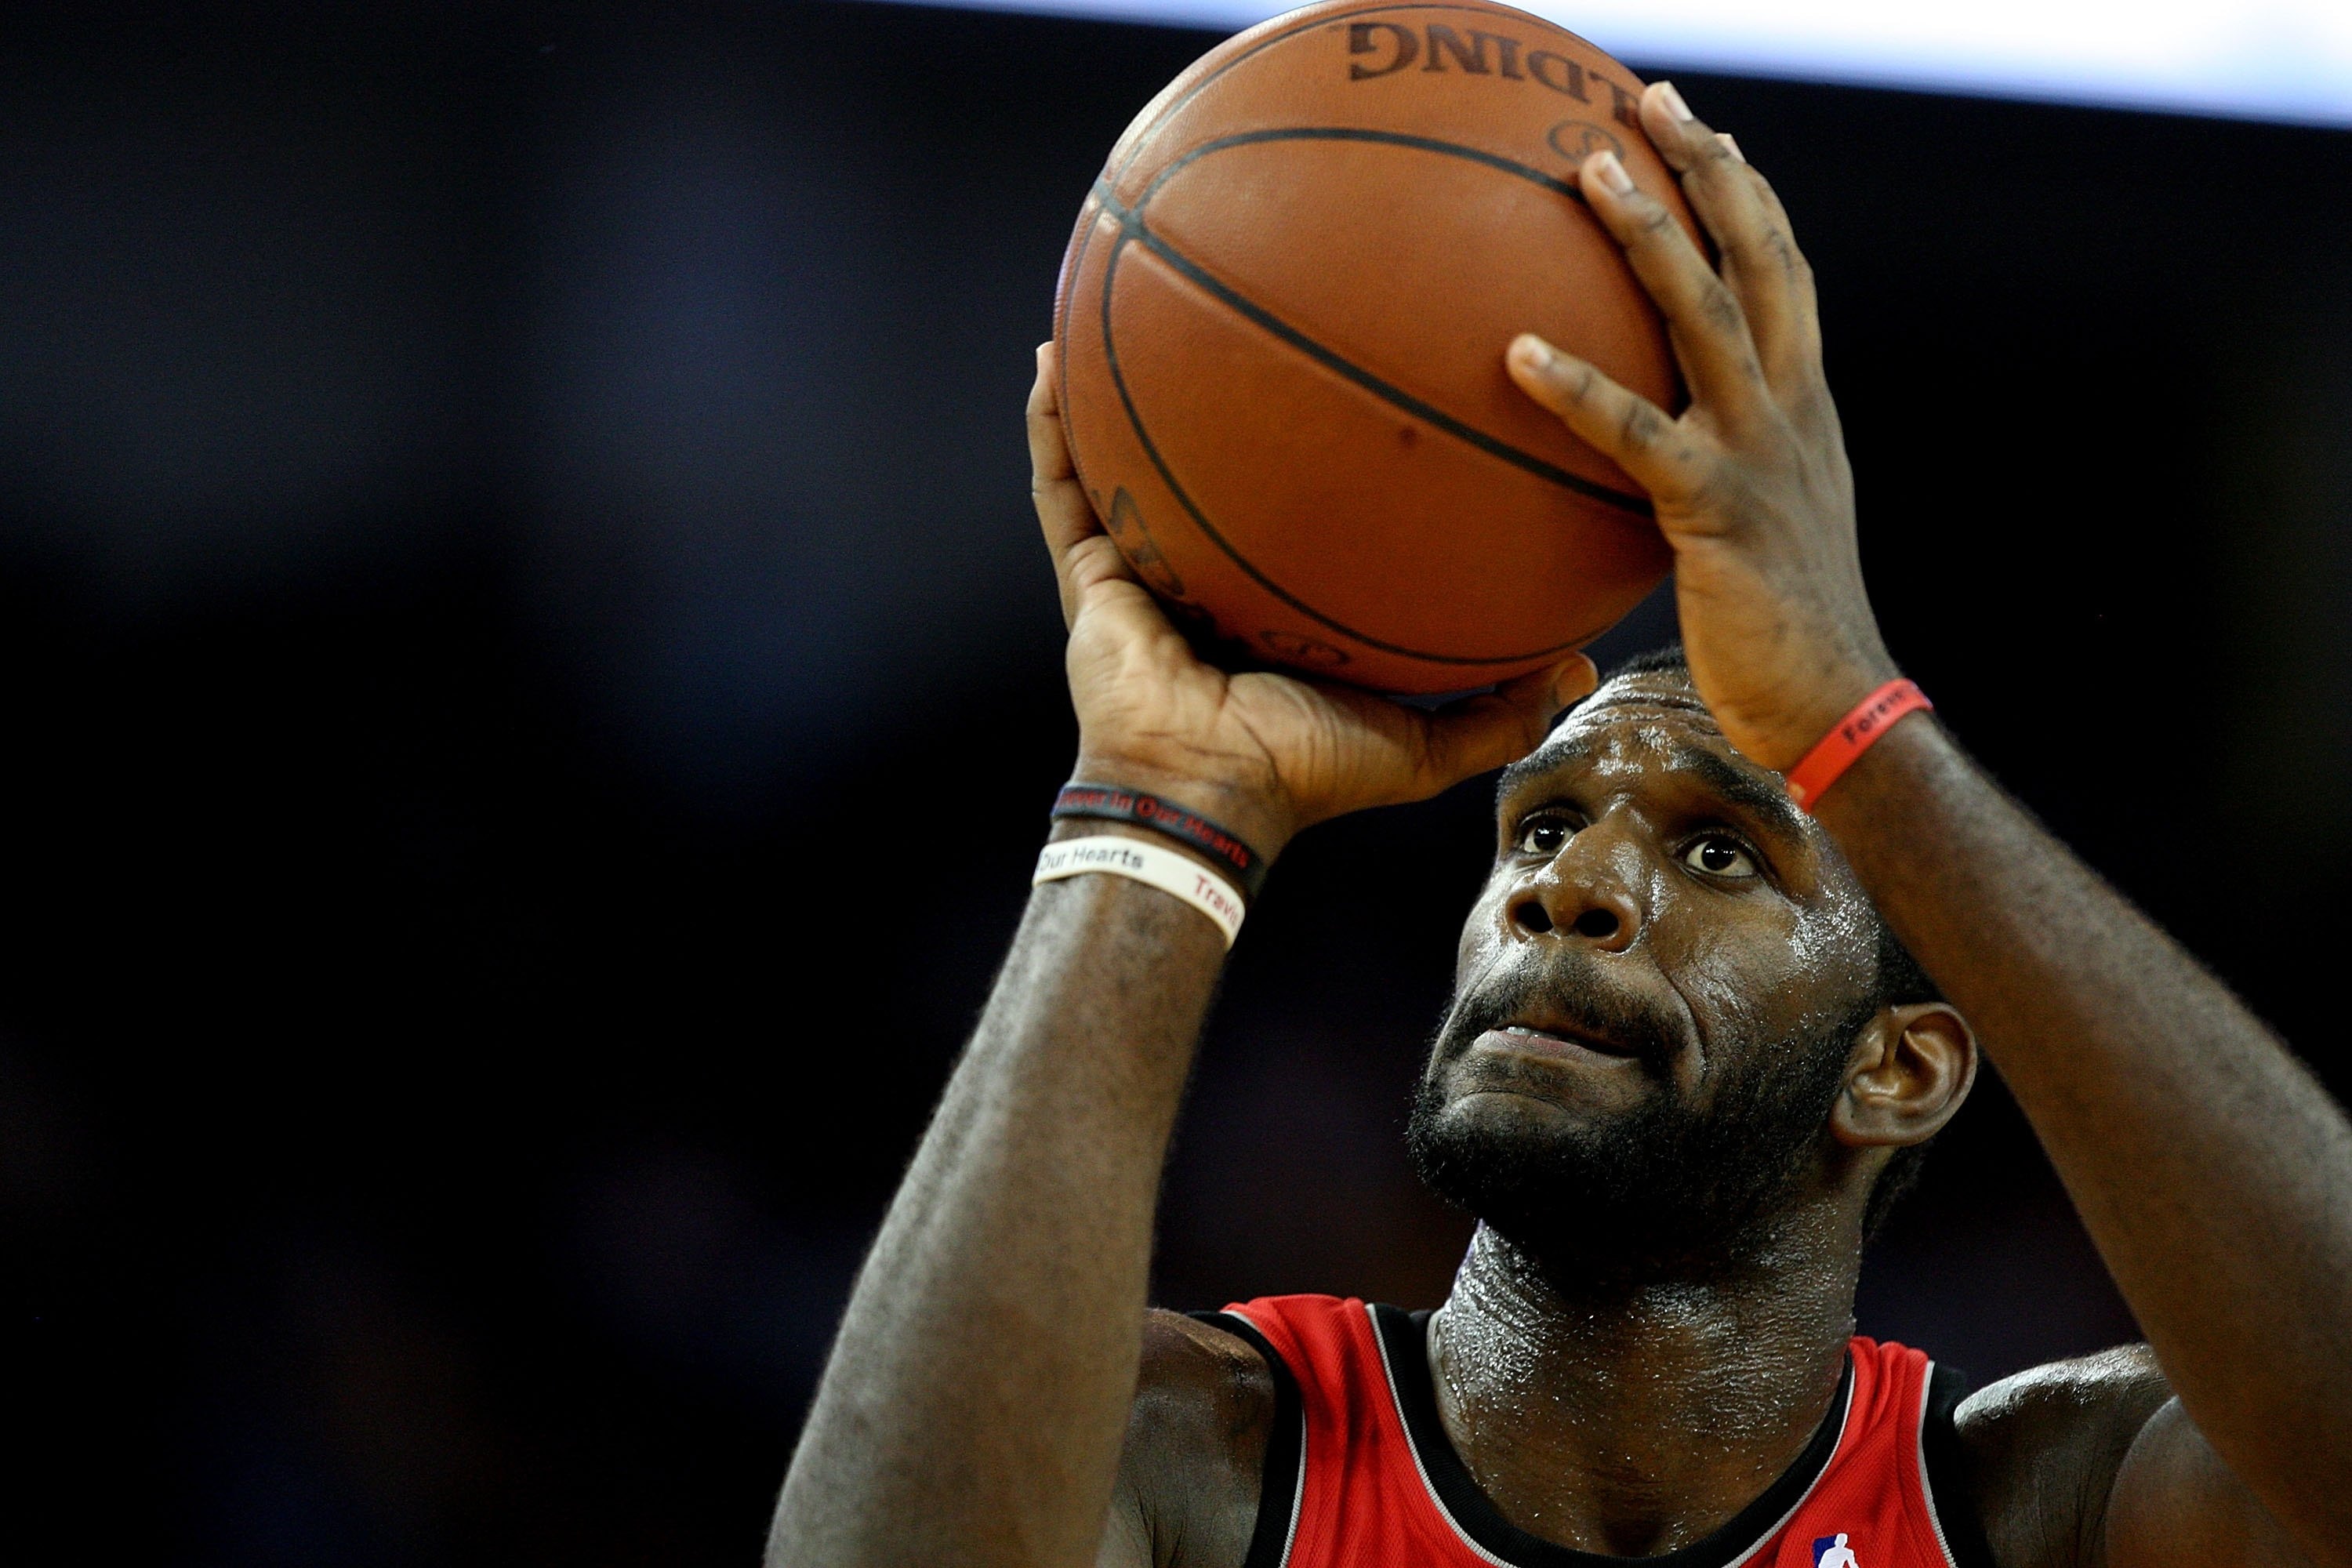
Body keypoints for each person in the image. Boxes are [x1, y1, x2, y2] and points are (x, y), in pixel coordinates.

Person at [768, 81, 2352, 1568]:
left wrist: (1850, 718)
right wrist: (1159, 804)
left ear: (1902, 1065)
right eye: (1536, 830)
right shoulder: (1210, 1451)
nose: (1572, 886)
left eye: (1720, 851)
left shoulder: (2035, 1507)